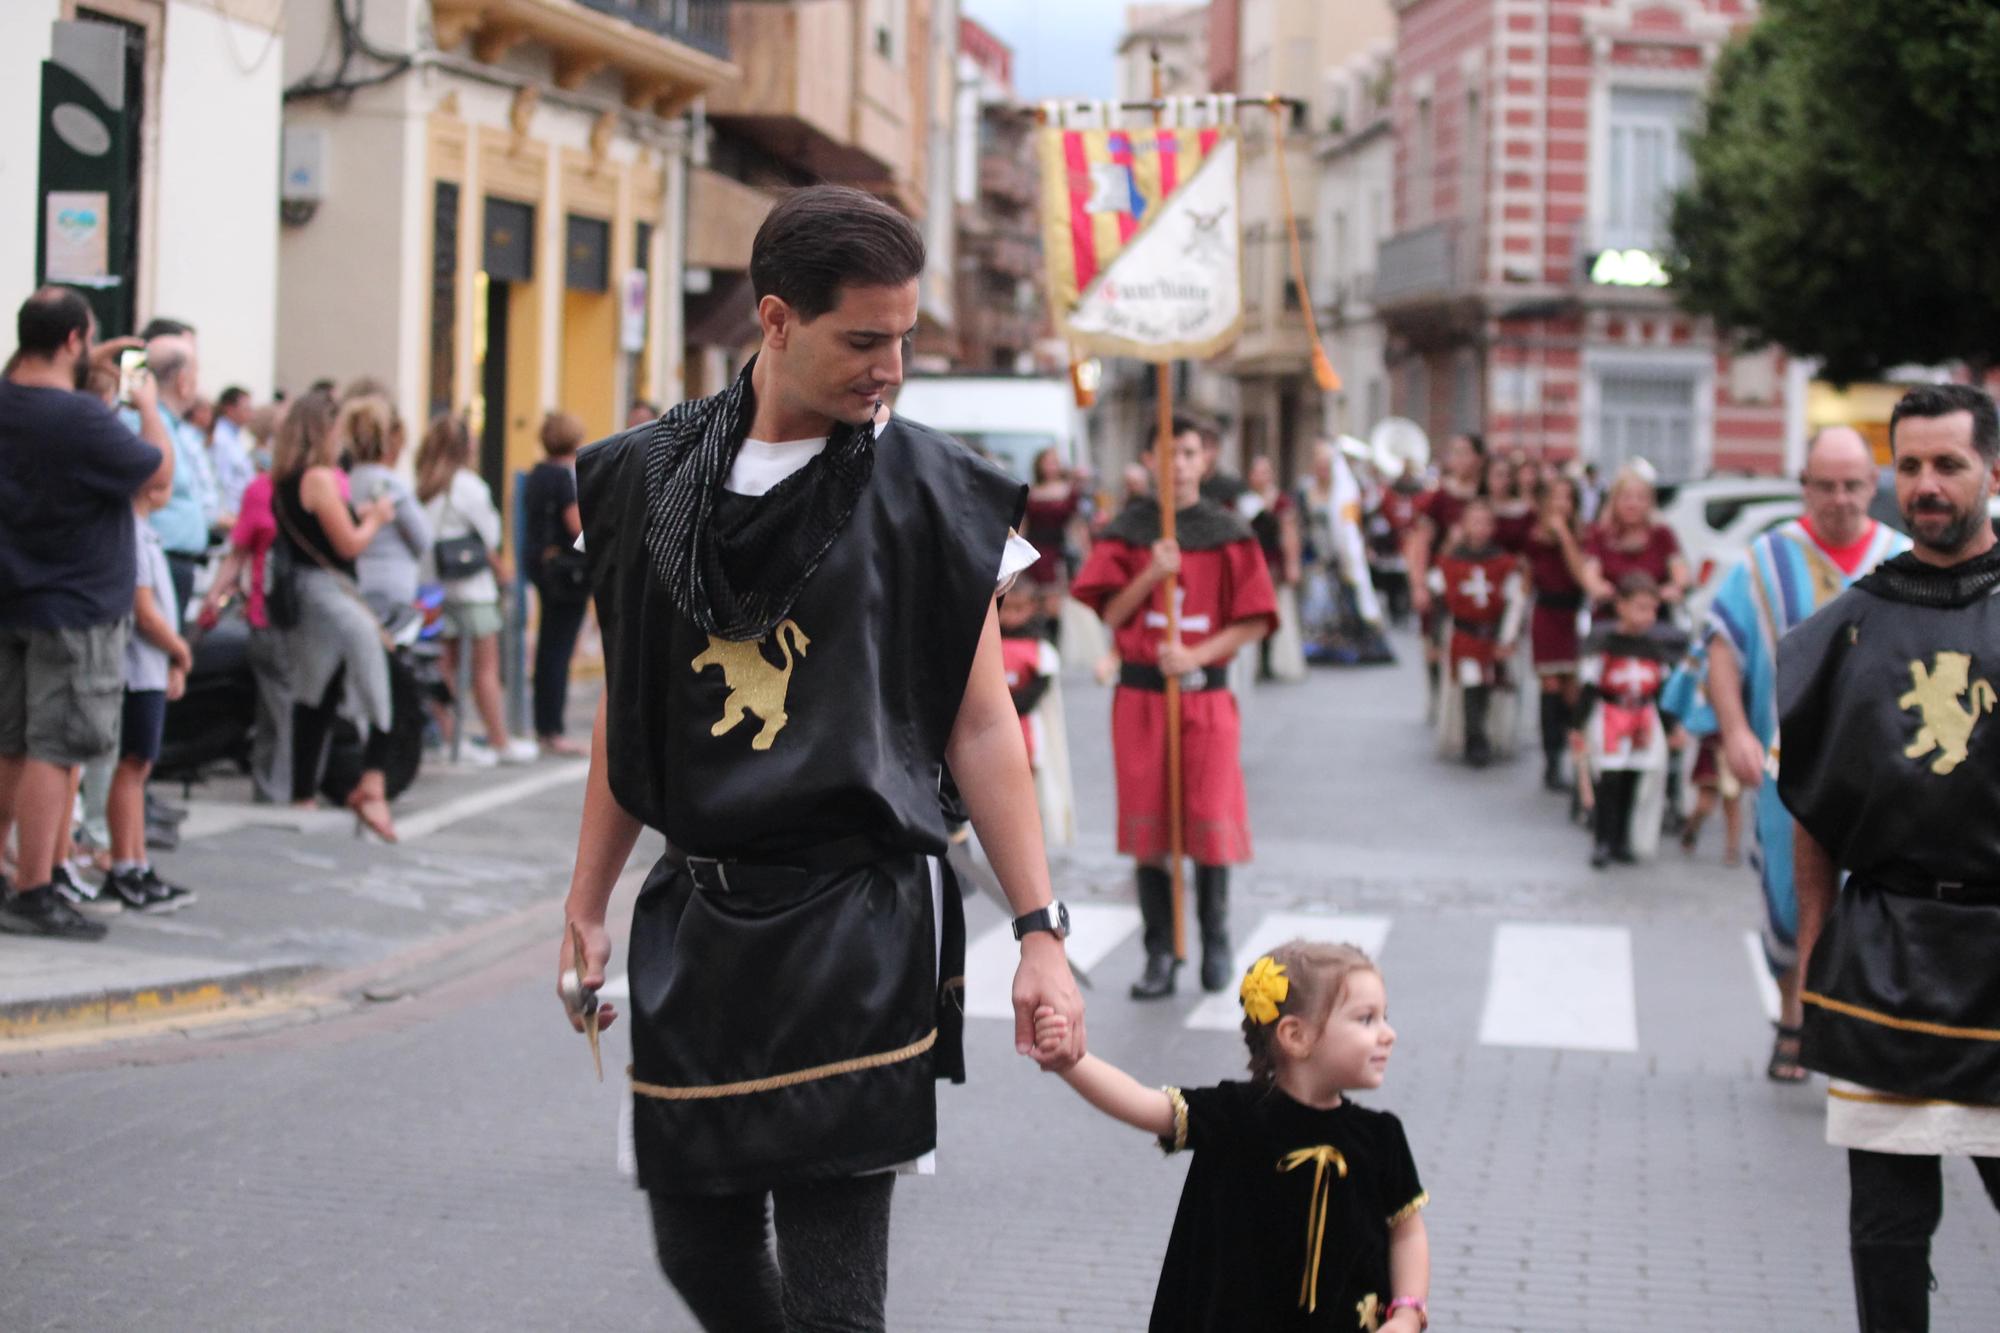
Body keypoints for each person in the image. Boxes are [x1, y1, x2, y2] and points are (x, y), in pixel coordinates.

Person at [560, 184, 1084, 1330]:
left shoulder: (931, 495)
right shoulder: (640, 480)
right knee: (696, 1250)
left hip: (856, 917)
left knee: (836, 1292)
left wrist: (1040, 933)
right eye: (863, 338)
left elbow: (980, 724)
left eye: (902, 337)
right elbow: (627, 714)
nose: (888, 365)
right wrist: (586, 902)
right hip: (698, 918)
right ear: (777, 319)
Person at [1777, 384, 2000, 1332]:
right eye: (1909, 466)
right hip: (1885, 952)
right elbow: (1816, 815)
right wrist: (1809, 960)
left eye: (1947, 463)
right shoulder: (1846, 628)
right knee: (1887, 1229)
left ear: (1992, 470)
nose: (1926, 484)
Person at [1033, 941, 1431, 1332]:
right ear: (1296, 1036)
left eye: (1384, 1016)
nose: (1388, 1034)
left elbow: (1406, 1234)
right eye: (1367, 1019)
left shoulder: (1381, 1138)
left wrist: (1408, 1312)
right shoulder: (1236, 1115)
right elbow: (1141, 1104)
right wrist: (1071, 1062)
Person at [1697, 426, 1908, 1078]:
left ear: (1873, 487)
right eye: (1826, 484)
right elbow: (1722, 646)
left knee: (1872, 902)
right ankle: (1793, 1010)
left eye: (1852, 485)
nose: (1840, 498)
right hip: (1790, 772)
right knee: (1790, 902)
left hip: (1883, 776)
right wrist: (1734, 729)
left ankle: (1843, 1030)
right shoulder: (1765, 560)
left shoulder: (1903, 560)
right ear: (1805, 486)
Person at [1072, 420, 1279, 999]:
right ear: (1150, 457)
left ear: (1205, 460)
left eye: (1189, 454)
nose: (1180, 465)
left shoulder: (1230, 533)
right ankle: (1160, 952)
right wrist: (1151, 574)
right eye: (1169, 454)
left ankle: (1215, 939)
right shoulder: (1128, 530)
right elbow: (1110, 616)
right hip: (1140, 698)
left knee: (1208, 818)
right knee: (1151, 829)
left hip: (1205, 696)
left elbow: (1256, 619)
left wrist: (1194, 655)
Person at [0, 287, 172, 940]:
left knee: (10, 741)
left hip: (12, 594)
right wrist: (147, 406)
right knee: (58, 746)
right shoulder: (79, 418)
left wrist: (89, 355)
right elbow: (157, 475)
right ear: (72, 341)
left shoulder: (10, 400)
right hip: (75, 603)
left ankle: (6, 875)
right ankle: (35, 888)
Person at [270, 388, 402, 842]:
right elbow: (347, 544)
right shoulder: (320, 478)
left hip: (308, 595)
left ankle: (303, 789)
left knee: (316, 691)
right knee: (376, 673)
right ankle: (373, 784)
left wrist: (357, 513)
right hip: (331, 595)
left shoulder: (284, 478)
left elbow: (321, 529)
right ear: (323, 431)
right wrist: (377, 518)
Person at [101, 473, 196, 913]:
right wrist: (180, 651)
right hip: (138, 667)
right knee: (132, 763)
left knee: (141, 765)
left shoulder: (147, 533)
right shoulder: (131, 533)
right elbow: (145, 610)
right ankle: (124, 863)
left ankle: (137, 861)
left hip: (152, 667)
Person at [417, 415, 535, 765]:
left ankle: (451, 737)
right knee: (485, 666)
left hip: (431, 586)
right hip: (471, 588)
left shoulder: (423, 484)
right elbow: (491, 536)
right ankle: (499, 739)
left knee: (441, 665)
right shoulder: (469, 486)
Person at [1571, 572, 1685, 868]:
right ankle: (1602, 842)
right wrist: (1576, 727)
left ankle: (1622, 840)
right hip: (1610, 718)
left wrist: (1671, 727)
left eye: (1653, 609)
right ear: (1620, 606)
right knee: (1608, 782)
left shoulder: (1655, 647)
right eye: (1640, 607)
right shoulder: (1604, 644)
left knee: (1633, 782)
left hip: (1642, 721)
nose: (1648, 616)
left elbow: (1661, 692)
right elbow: (1589, 687)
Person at [198, 460, 293, 804]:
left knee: (285, 705)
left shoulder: (329, 484)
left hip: (301, 614)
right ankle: (278, 790)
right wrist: (213, 599)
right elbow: (239, 551)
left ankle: (291, 787)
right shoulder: (262, 490)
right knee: (276, 705)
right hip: (268, 612)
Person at [1434, 497, 1524, 768]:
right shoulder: (1451, 562)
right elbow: (1440, 598)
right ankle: (1475, 738)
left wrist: (1506, 637)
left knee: (1492, 685)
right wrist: (1438, 636)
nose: (1480, 528)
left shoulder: (1503, 562)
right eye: (1474, 522)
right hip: (1464, 634)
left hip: (1493, 634)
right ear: (1463, 525)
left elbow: (1514, 600)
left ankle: (1486, 734)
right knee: (1472, 682)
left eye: (1485, 522)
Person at [1405, 432, 1486, 719]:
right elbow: (1420, 542)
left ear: (1478, 458)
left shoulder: (1486, 493)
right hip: (1443, 579)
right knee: (1435, 643)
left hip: (1479, 582)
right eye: (1454, 452)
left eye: (1464, 452)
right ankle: (1439, 699)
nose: (1458, 459)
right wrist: (1418, 584)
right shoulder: (1439, 497)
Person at [522, 411, 590, 755]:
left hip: (542, 569)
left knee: (549, 647)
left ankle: (543, 725)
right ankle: (552, 728)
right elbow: (577, 526)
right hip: (566, 573)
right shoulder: (565, 479)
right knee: (558, 650)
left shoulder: (536, 475)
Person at [139, 332, 220, 614]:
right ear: (183, 382)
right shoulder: (147, 422)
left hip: (174, 561)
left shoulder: (173, 426)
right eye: (196, 374)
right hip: (159, 561)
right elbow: (155, 488)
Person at [1297, 441, 1393, 667]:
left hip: (1341, 554)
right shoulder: (1305, 490)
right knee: (1317, 601)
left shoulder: (1344, 491)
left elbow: (1354, 524)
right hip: (1316, 554)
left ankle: (1346, 646)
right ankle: (1319, 647)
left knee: (1345, 599)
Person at [1523, 476, 1590, 791]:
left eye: (1568, 498)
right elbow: (1526, 580)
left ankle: (1575, 755)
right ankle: (1552, 760)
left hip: (1572, 614)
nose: (1561, 504)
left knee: (1572, 691)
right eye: (1556, 498)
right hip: (1546, 614)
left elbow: (1581, 578)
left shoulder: (1581, 536)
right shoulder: (1533, 537)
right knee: (1550, 685)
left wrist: (1565, 537)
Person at [343, 396, 430, 609]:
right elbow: (423, 538)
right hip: (392, 582)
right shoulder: (390, 485)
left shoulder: (346, 481)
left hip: (355, 579)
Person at [1581, 466, 1689, 623]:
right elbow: (1590, 573)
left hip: (1655, 620)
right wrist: (1598, 587)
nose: (1633, 504)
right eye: (1626, 498)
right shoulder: (1600, 534)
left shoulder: (1662, 534)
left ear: (1650, 502)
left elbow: (1680, 571)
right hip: (1611, 620)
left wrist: (1676, 587)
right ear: (1615, 501)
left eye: (1640, 498)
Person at [1023, 445, 1082, 634]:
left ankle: (1055, 632)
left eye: (1054, 463)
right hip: (1035, 547)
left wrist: (1082, 550)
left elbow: (1076, 523)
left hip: (1057, 549)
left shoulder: (1068, 492)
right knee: (1033, 596)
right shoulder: (1031, 492)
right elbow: (1024, 522)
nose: (1050, 467)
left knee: (1055, 597)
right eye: (1047, 463)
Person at [209, 385, 257, 520]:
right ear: (230, 409)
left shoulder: (235, 437)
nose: (251, 415)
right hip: (230, 515)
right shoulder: (220, 438)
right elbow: (221, 480)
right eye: (246, 409)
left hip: (239, 512)